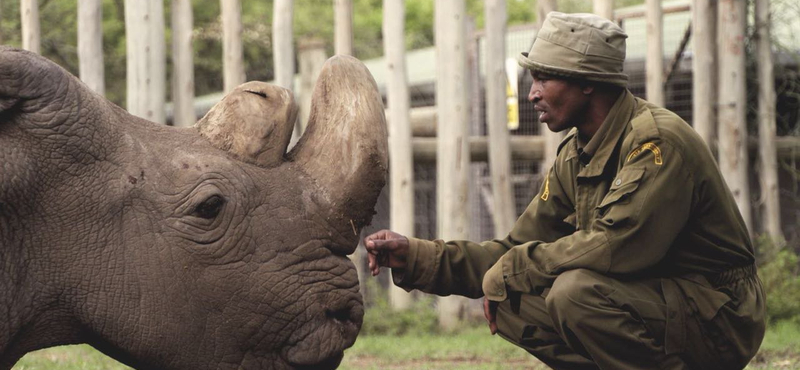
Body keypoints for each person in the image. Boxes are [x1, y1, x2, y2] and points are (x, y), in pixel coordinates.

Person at [364, 11, 765, 370]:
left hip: (719, 316)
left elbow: (616, 248)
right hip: (655, 303)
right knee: (511, 303)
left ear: (587, 82)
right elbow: (514, 248)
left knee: (573, 294)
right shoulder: (576, 153)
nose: (532, 93)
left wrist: (513, 268)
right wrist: (416, 256)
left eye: (543, 78)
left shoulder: (657, 143)